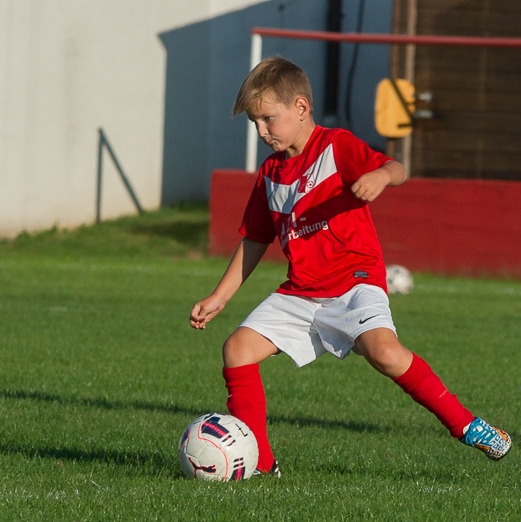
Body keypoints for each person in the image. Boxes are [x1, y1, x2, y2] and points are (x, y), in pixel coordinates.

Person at [189, 56, 511, 477]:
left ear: (301, 108)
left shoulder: (336, 146)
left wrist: (381, 177)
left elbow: (396, 167)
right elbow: (254, 239)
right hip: (302, 291)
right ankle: (263, 466)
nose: (262, 131)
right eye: (255, 123)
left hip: (353, 283)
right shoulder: (270, 173)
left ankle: (467, 425)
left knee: (385, 353)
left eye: (268, 119)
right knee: (237, 350)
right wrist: (220, 296)